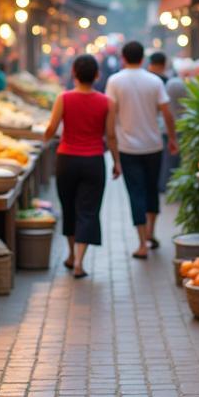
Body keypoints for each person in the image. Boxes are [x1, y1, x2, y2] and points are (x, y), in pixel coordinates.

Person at [43, 54, 121, 278]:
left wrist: (44, 141)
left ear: (73, 74)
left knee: (69, 208)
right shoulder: (107, 102)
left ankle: (70, 253)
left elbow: (51, 127)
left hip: (66, 160)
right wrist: (116, 162)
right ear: (97, 75)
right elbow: (111, 136)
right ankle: (78, 261)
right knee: (87, 210)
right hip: (94, 162)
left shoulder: (64, 98)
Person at [105, 40, 178, 258]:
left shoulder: (115, 81)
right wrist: (172, 138)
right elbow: (167, 112)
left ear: (124, 58)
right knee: (151, 190)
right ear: (142, 59)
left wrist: (113, 149)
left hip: (127, 147)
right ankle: (151, 233)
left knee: (136, 193)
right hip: (153, 145)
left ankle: (142, 243)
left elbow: (111, 115)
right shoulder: (154, 81)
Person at [148, 52, 181, 193]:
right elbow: (167, 110)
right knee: (167, 159)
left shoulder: (148, 80)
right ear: (164, 64)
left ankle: (159, 185)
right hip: (161, 126)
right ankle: (163, 185)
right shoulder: (166, 81)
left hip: (151, 127)